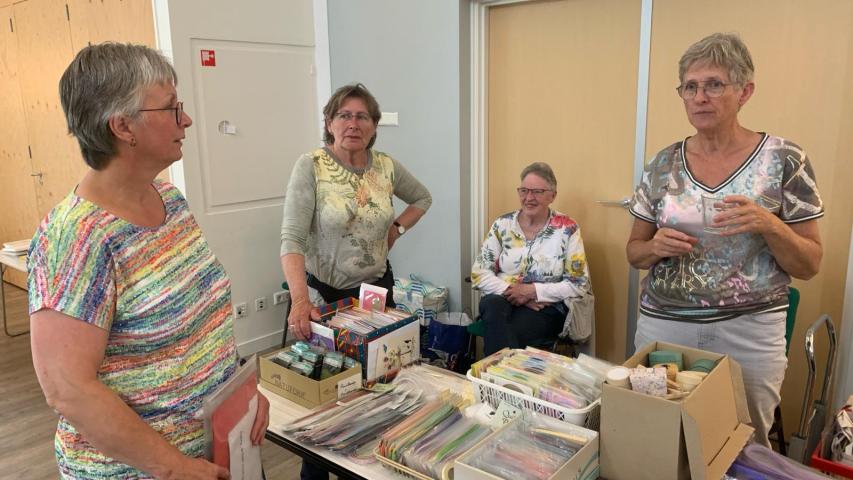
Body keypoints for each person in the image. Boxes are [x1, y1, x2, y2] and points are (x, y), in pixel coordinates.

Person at [28, 43, 269, 479]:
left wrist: (242, 393)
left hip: (214, 447)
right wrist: (174, 467)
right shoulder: (75, 237)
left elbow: (202, 324)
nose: (186, 120)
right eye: (172, 107)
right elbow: (68, 389)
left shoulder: (169, 200)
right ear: (123, 126)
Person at [626, 33, 823, 447]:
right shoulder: (662, 163)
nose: (700, 97)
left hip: (748, 331)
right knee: (658, 439)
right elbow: (635, 252)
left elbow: (809, 264)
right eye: (690, 87)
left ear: (744, 91)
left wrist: (770, 225)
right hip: (665, 324)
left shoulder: (784, 160)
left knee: (742, 445)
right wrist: (655, 247)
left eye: (714, 84)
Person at [279, 83, 431, 480]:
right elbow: (292, 239)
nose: (353, 123)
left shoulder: (386, 166)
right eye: (344, 115)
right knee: (326, 402)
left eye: (362, 116)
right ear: (329, 123)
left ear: (374, 125)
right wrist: (299, 301)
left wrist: (396, 228)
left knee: (379, 392)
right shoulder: (311, 165)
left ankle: (370, 470)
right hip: (325, 301)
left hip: (376, 296)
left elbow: (423, 198)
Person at [471, 162, 591, 356]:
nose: (528, 198)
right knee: (492, 306)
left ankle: (492, 372)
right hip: (502, 300)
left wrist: (534, 291)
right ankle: (502, 372)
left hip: (545, 308)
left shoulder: (567, 228)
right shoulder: (502, 224)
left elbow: (578, 284)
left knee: (508, 330)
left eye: (537, 192)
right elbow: (479, 273)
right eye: (524, 191)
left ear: (552, 196)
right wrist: (516, 293)